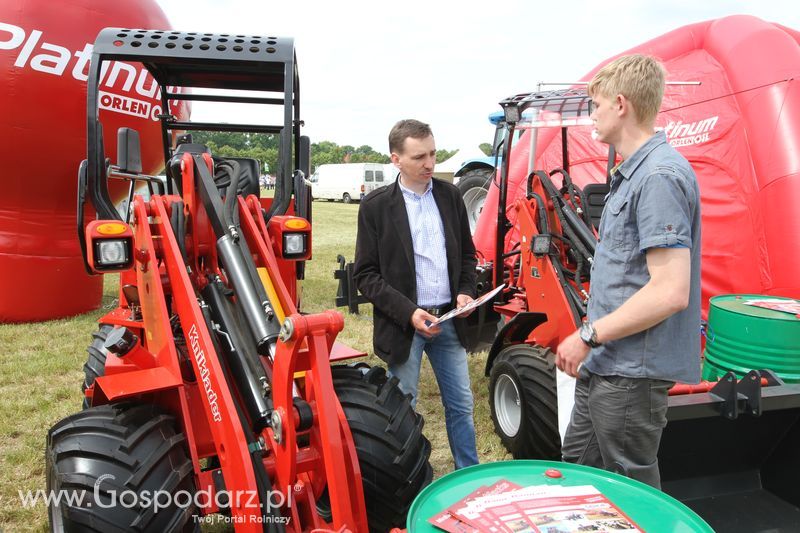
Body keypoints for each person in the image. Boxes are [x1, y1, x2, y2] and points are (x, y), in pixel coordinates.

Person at [556, 55, 702, 489]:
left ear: (621, 104)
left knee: (629, 491)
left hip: (630, 374)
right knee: (579, 471)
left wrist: (587, 335)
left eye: (595, 106)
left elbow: (670, 291)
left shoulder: (657, 176)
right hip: (607, 363)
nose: (592, 117)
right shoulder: (632, 174)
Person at [353, 119, 480, 469]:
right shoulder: (376, 206)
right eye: (419, 156)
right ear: (396, 159)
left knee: (461, 405)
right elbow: (365, 275)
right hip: (404, 325)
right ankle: (406, 477)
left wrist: (466, 293)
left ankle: (468, 475)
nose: (429, 164)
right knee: (401, 407)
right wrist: (409, 313)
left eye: (433, 154)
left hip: (449, 321)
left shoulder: (450, 196)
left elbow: (467, 256)